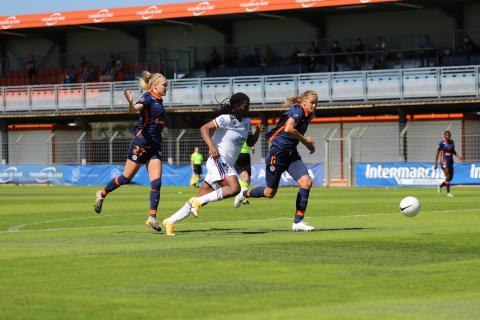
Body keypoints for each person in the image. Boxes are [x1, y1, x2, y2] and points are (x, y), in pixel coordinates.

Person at [162, 93, 264, 236]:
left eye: (248, 106)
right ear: (236, 106)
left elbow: (250, 142)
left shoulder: (247, 122)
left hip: (227, 164)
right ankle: (194, 202)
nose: (247, 109)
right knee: (234, 188)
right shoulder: (226, 119)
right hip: (218, 159)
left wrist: (258, 132)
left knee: (201, 199)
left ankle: (170, 221)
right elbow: (204, 128)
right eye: (245, 106)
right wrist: (211, 146)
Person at [93, 71, 168, 231]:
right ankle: (102, 193)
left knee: (157, 182)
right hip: (140, 145)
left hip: (154, 147)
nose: (166, 87)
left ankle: (152, 218)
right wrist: (130, 102)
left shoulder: (159, 101)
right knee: (126, 178)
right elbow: (133, 110)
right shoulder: (148, 97)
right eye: (164, 85)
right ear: (155, 85)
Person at [234, 90, 318, 232]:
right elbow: (288, 129)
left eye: (316, 103)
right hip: (277, 154)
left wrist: (307, 143)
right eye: (312, 103)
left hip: (291, 155)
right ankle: (244, 194)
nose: (314, 105)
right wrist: (305, 141)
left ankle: (298, 222)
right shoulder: (297, 111)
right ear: (304, 102)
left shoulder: (308, 116)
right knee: (269, 193)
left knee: (306, 183)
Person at [434, 130, 461, 197]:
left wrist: (458, 156)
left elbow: (453, 151)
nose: (448, 136)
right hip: (444, 160)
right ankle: (448, 193)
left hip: (450, 160)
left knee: (450, 178)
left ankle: (440, 186)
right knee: (448, 175)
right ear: (444, 136)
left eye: (449, 135)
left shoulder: (451, 142)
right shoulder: (441, 143)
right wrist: (435, 163)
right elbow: (437, 153)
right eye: (447, 135)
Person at [233, 142, 254, 206]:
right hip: (238, 156)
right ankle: (243, 199)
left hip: (246, 156)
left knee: (248, 180)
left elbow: (250, 140)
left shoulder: (248, 133)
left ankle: (239, 192)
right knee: (245, 178)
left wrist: (252, 146)